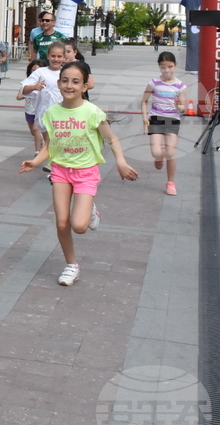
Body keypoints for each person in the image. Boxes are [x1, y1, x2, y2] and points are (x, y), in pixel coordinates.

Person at [20, 60, 138, 285]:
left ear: (85, 86)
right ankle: (71, 265)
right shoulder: (52, 113)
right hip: (61, 172)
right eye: (65, 80)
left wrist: (121, 162)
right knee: (62, 223)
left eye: (75, 82)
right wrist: (35, 162)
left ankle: (90, 208)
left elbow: (112, 138)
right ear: (58, 83)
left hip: (86, 172)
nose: (69, 85)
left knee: (80, 226)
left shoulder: (92, 111)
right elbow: (50, 145)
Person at [141, 52, 186, 196]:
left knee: (171, 153)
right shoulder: (153, 83)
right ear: (159, 67)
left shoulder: (180, 86)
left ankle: (170, 182)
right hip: (156, 118)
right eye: (163, 68)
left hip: (172, 119)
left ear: (175, 66)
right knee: (155, 152)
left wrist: (178, 106)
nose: (167, 71)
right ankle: (159, 156)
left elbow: (182, 108)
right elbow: (144, 100)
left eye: (170, 67)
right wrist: (145, 118)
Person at [21, 42, 65, 172]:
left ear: (64, 57)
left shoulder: (67, 72)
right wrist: (35, 86)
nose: (56, 59)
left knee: (57, 140)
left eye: (59, 56)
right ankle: (55, 163)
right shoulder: (40, 72)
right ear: (48, 56)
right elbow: (24, 88)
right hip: (44, 113)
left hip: (63, 113)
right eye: (53, 56)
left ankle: (54, 166)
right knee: (50, 141)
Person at [18, 59, 48, 155]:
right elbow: (19, 96)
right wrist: (30, 91)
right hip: (29, 109)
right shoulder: (27, 83)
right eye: (33, 70)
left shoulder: (46, 82)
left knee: (36, 129)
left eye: (38, 70)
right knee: (33, 132)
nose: (35, 72)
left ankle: (37, 151)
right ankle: (42, 141)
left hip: (40, 109)